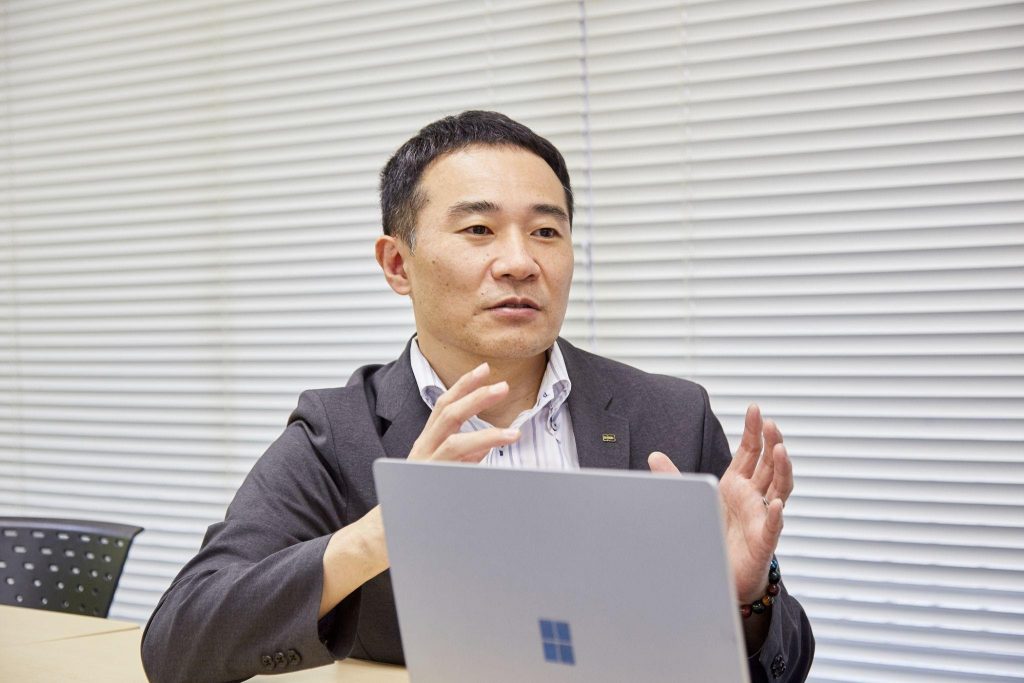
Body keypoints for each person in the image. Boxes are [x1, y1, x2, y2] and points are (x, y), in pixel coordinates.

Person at [141, 110, 813, 683]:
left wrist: (745, 598)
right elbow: (179, 641)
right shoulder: (339, 430)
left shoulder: (669, 415)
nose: (521, 262)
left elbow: (784, 664)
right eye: (478, 230)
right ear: (398, 264)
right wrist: (380, 533)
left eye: (546, 231)